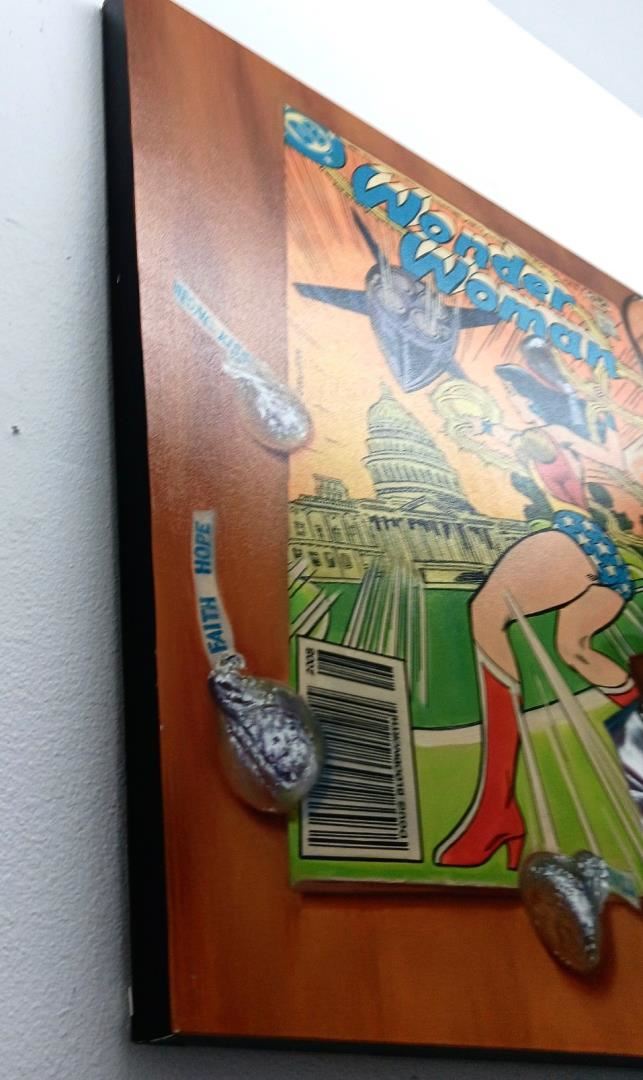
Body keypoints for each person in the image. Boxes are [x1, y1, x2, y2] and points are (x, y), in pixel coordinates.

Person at [432, 337, 641, 870]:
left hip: (579, 540)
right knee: (576, 650)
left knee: (486, 613)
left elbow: (549, 453)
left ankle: (496, 810)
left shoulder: (555, 438)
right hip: (606, 566)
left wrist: (486, 426)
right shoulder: (552, 437)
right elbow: (518, 448)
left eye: (518, 396)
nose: (516, 404)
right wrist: (480, 431)